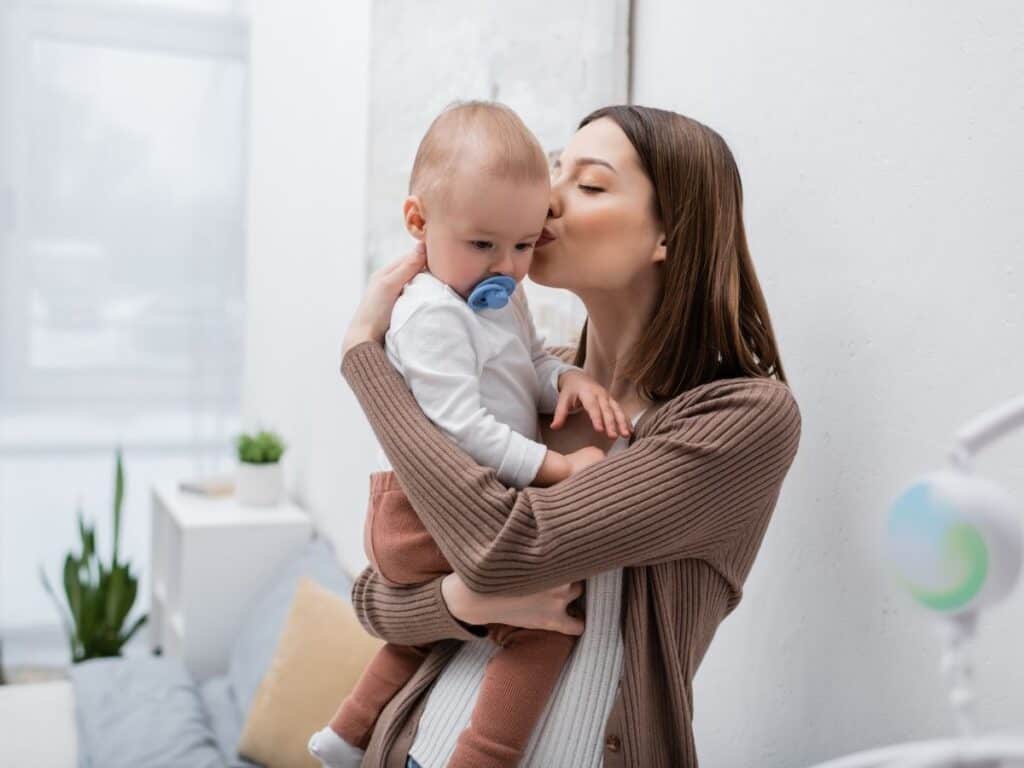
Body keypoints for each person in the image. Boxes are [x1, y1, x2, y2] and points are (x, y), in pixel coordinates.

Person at [340, 105, 802, 767]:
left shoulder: (738, 418)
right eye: (556, 170)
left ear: (667, 234)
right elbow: (375, 595)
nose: (549, 199)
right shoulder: (527, 380)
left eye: (589, 185)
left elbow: (507, 553)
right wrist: (460, 601)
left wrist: (364, 357)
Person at [309, 101, 630, 768]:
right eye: (483, 244)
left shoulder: (500, 292)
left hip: (441, 506)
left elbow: (529, 363)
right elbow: (461, 426)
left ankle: (344, 734)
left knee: (433, 630)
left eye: (522, 244)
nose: (507, 266)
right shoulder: (430, 312)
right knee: (539, 634)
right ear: (419, 222)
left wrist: (562, 380)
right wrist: (556, 469)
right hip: (415, 508)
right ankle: (483, 756)